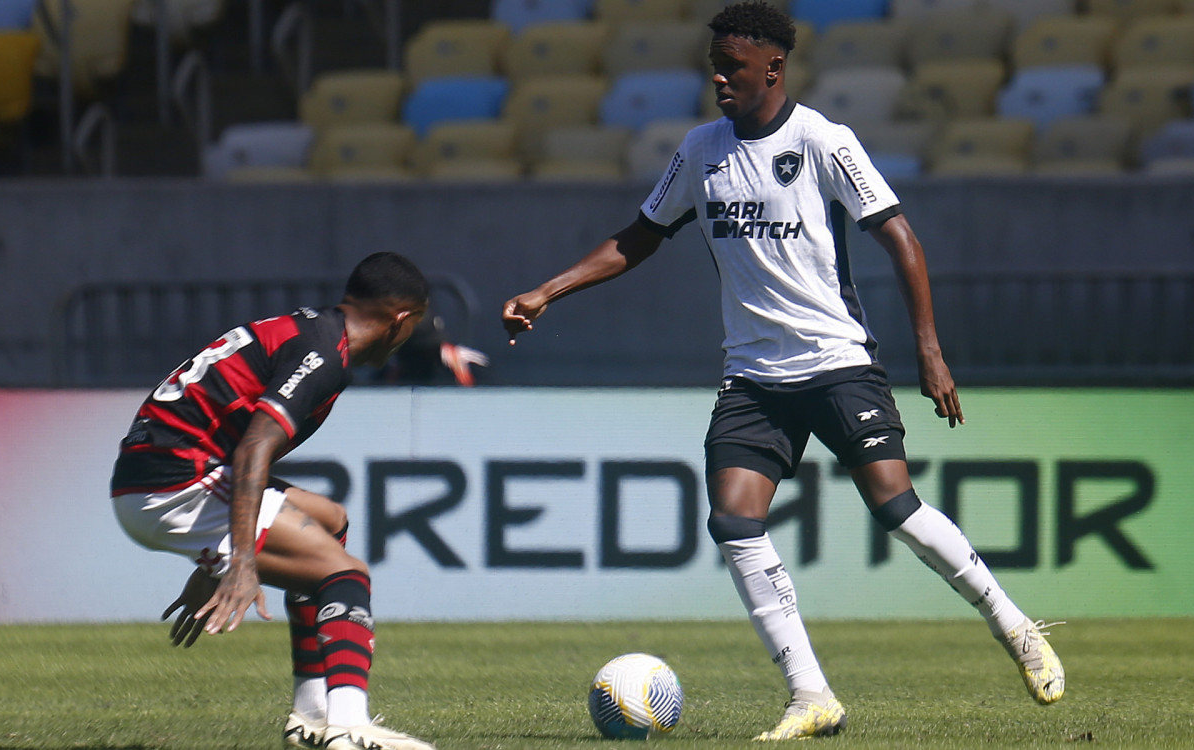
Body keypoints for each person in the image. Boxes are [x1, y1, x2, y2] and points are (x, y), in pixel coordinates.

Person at [502, 1, 1064, 741]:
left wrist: (929, 349)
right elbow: (640, 237)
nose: (718, 78)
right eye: (715, 65)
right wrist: (548, 291)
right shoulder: (701, 150)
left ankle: (1014, 625)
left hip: (837, 360)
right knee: (734, 520)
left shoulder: (823, 141)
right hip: (753, 376)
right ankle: (810, 695)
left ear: (774, 67)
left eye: (732, 66)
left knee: (895, 506)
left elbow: (900, 236)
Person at [111, 252, 436, 750]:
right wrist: (239, 563)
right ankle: (349, 728)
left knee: (330, 522)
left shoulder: (314, 332)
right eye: (414, 325)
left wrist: (215, 563)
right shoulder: (324, 353)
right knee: (346, 575)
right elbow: (254, 449)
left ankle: (310, 715)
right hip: (172, 483)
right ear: (400, 320)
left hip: (161, 474)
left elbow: (240, 447)